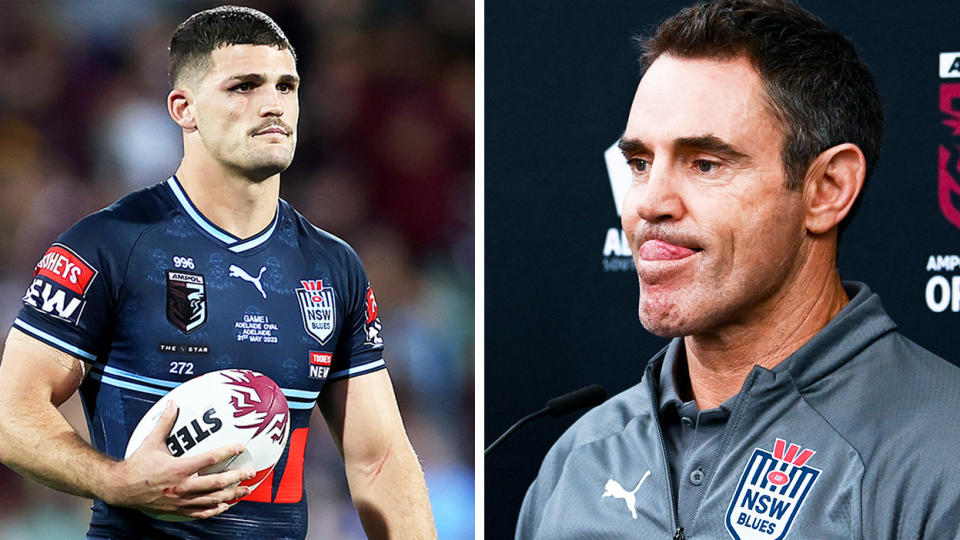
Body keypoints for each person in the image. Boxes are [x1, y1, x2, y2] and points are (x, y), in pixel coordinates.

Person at [516, 0, 960, 538]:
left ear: (828, 189)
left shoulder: (943, 452)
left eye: (705, 163)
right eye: (639, 163)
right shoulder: (580, 459)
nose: (649, 203)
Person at [0, 6, 436, 539]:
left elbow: (380, 459)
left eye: (286, 86)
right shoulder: (109, 245)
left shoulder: (332, 266)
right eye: (244, 86)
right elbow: (10, 414)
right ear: (184, 109)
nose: (273, 104)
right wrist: (114, 480)